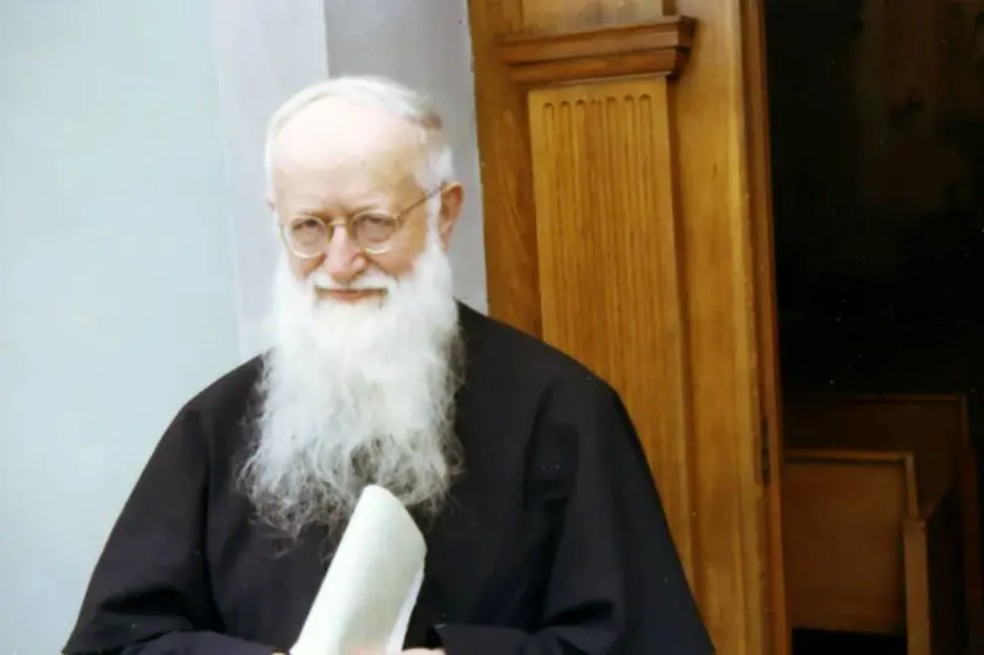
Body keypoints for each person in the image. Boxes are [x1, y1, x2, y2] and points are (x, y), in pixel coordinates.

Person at [63, 75, 713, 655]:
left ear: (444, 213)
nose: (341, 261)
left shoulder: (561, 409)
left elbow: (642, 639)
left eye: (373, 223)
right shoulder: (216, 424)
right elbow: (117, 639)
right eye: (310, 227)